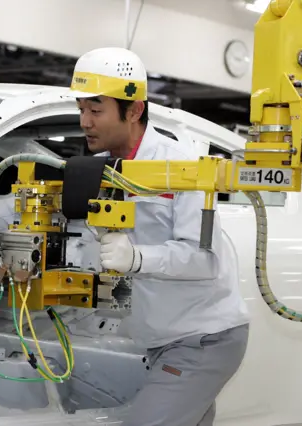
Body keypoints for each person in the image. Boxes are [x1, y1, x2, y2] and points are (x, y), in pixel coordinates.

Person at [63, 47, 251, 425]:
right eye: (81, 109)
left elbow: (204, 259)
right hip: (159, 340)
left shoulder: (181, 169)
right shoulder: (101, 171)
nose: (85, 121)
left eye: (96, 111)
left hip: (202, 339)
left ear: (133, 110)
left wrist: (137, 258)